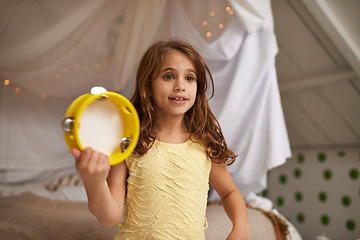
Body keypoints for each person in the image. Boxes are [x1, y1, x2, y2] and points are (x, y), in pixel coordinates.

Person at [71, 39, 250, 239]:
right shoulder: (129, 143)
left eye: (189, 78)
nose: (180, 86)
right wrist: (94, 182)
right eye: (169, 76)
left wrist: (240, 227)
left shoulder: (205, 144)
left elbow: (229, 193)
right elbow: (109, 218)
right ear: (148, 85)